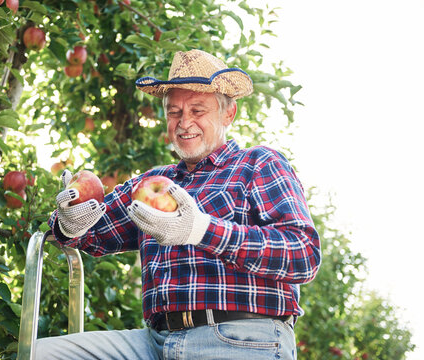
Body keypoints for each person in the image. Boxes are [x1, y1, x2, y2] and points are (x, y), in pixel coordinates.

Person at [37, 49, 321, 360]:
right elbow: (94, 231)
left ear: (229, 114)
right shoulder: (153, 182)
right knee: (39, 355)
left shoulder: (257, 164)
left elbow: (303, 254)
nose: (184, 123)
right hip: (154, 342)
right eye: (174, 112)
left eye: (198, 110)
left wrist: (200, 229)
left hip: (238, 337)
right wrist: (70, 222)